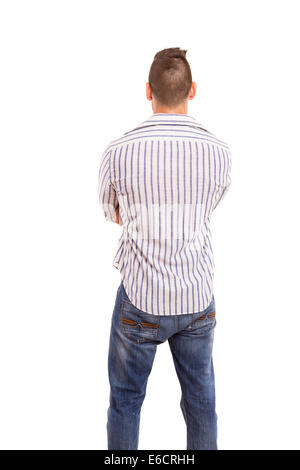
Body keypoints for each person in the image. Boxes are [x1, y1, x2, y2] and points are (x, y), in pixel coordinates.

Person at [98, 47, 232, 450]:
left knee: (124, 402)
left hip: (140, 299)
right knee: (201, 404)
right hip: (196, 297)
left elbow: (111, 211)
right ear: (192, 90)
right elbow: (209, 204)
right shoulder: (220, 153)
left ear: (147, 91)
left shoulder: (118, 152)